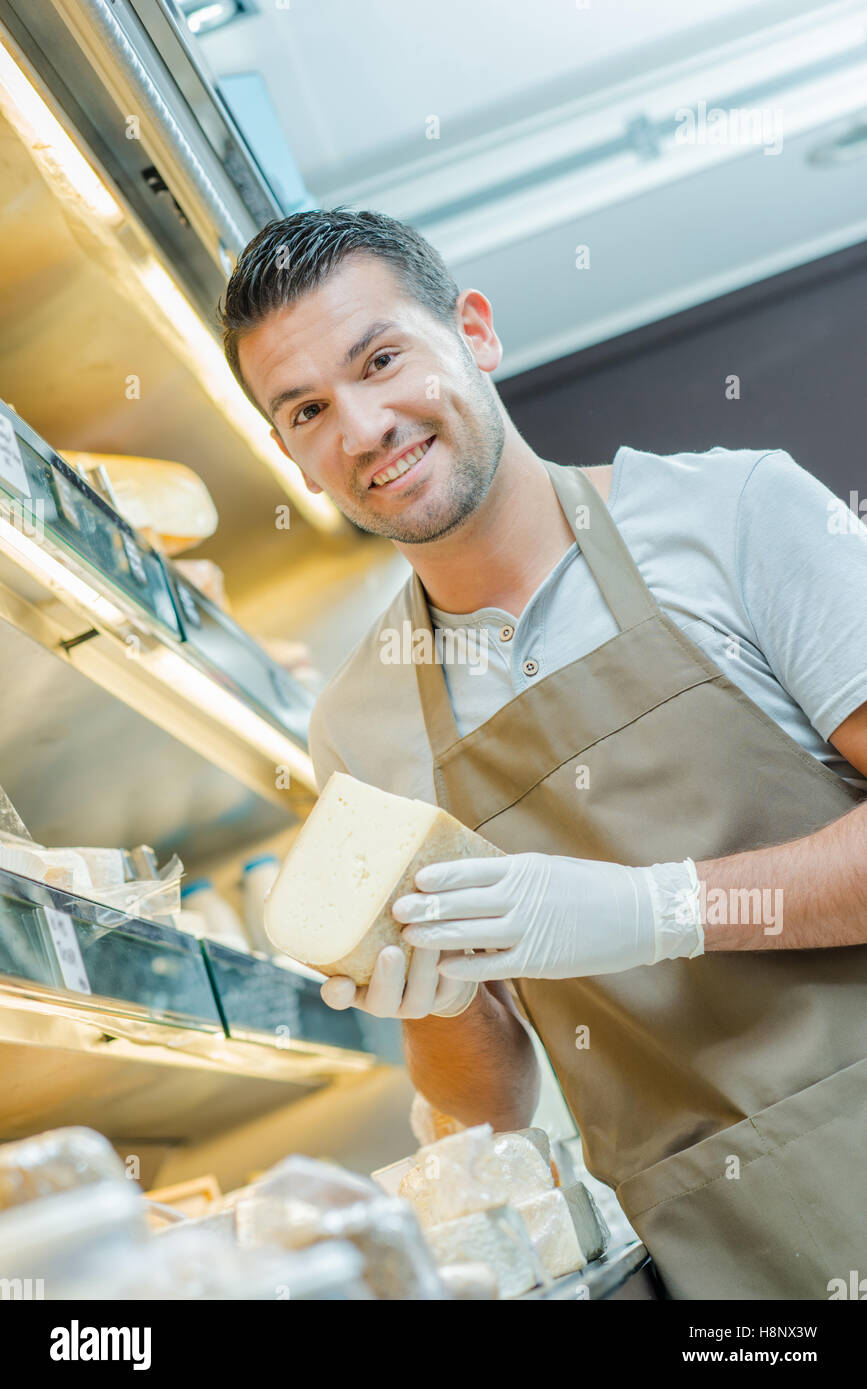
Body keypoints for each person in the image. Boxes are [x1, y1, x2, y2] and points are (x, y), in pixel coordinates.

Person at [219, 208, 867, 1299]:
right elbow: (487, 1109)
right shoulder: (361, 727)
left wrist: (655, 909)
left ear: (473, 331)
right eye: (308, 410)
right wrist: (423, 993)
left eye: (382, 359)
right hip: (734, 1247)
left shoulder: (738, 515)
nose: (365, 426)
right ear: (289, 451)